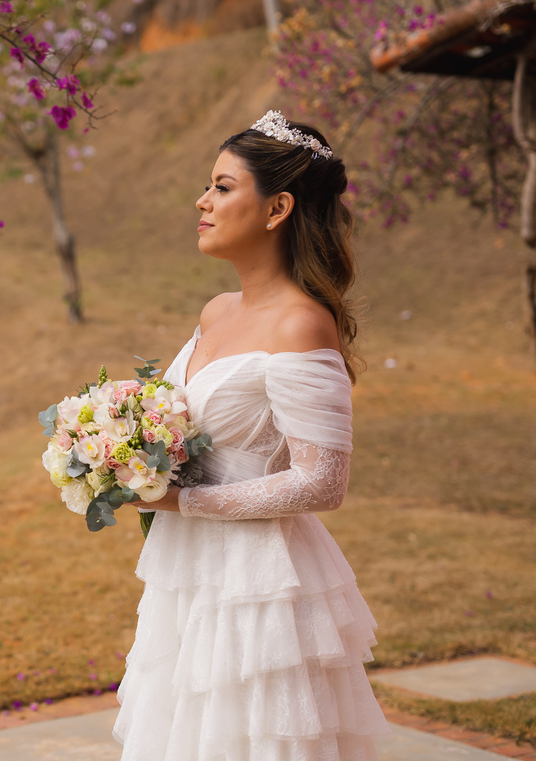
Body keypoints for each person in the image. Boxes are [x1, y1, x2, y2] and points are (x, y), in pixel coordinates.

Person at [112, 111, 392, 761]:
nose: (202, 202)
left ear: (278, 208)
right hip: (188, 575)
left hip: (259, 585)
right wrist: (129, 451)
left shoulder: (300, 325)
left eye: (222, 187)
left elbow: (323, 481)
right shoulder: (215, 312)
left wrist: (183, 502)